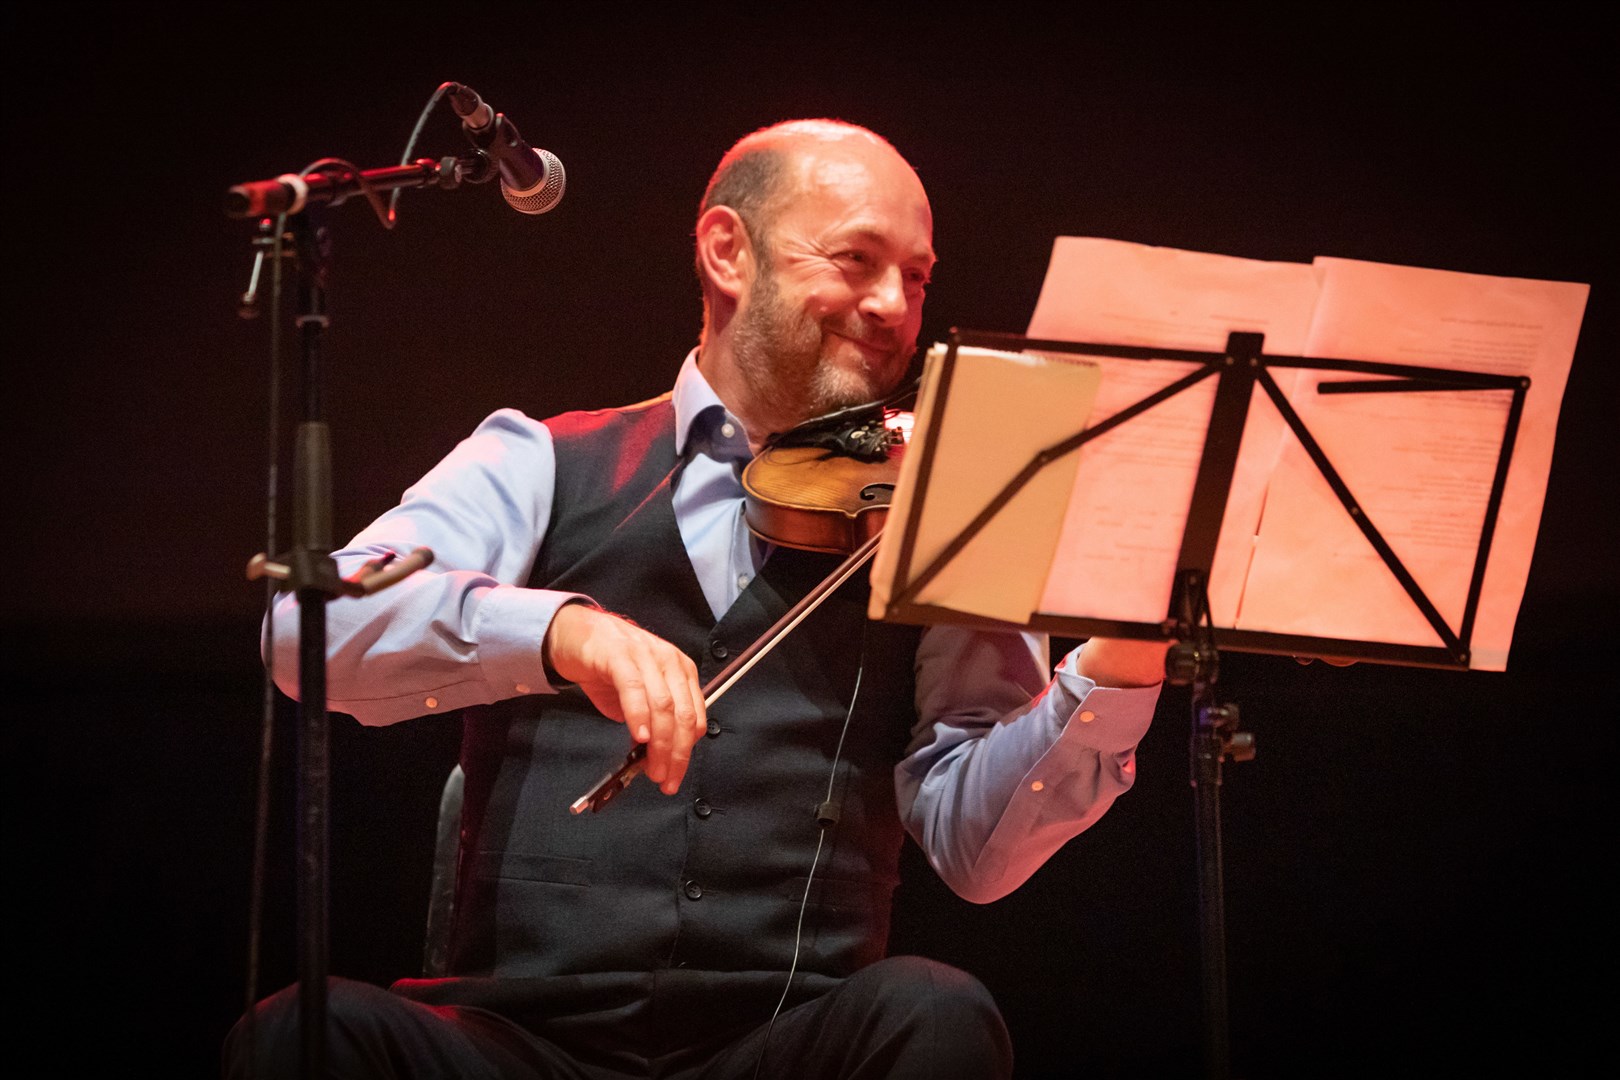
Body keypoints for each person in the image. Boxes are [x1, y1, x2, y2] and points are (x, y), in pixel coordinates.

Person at [230, 119, 1169, 1079]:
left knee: (934, 1010)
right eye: (856, 260)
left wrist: (1116, 671)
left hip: (783, 1045)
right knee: (303, 1032)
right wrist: (560, 631)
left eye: (918, 277)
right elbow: (312, 623)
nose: (894, 304)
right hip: (514, 1045)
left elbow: (978, 850)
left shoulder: (944, 497)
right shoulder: (540, 459)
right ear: (729, 251)